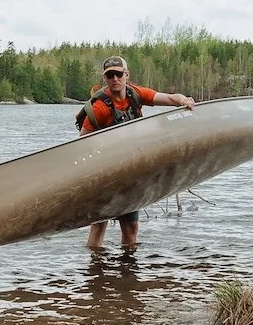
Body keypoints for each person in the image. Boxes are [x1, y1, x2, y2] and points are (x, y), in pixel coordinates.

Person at [76, 54, 195, 251]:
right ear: (105, 79)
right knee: (99, 226)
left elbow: (167, 98)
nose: (115, 79)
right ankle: (95, 273)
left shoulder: (136, 94)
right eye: (110, 75)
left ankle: (128, 271)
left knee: (131, 227)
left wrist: (183, 100)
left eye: (119, 74)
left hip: (130, 172)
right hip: (104, 173)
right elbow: (82, 142)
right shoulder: (99, 108)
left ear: (127, 75)